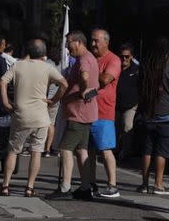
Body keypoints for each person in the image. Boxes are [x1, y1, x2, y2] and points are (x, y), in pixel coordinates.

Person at [0, 39, 67, 197]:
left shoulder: (18, 65)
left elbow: (2, 82)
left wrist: (6, 102)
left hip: (21, 115)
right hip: (41, 117)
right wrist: (53, 100)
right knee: (36, 152)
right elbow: (64, 84)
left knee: (13, 151)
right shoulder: (48, 67)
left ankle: (5, 186)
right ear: (43, 52)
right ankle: (29, 187)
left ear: (28, 51)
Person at [47, 30, 99, 200]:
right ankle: (85, 187)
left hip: (79, 113)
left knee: (65, 148)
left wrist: (84, 88)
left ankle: (65, 187)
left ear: (77, 42)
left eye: (69, 43)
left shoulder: (84, 59)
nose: (67, 48)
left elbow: (84, 75)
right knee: (81, 150)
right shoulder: (88, 58)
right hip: (83, 112)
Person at [137, 38, 169, 195]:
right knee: (162, 152)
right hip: (166, 116)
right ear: (166, 53)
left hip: (147, 115)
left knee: (147, 150)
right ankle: (158, 184)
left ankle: (144, 184)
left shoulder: (145, 67)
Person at [86, 28, 122, 198]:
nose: (92, 44)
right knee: (88, 151)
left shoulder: (113, 60)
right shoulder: (89, 58)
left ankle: (112, 185)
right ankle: (91, 183)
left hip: (103, 112)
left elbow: (106, 79)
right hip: (86, 111)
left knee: (105, 150)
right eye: (91, 40)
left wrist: (90, 70)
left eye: (96, 41)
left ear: (106, 42)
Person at [116, 42, 139, 160]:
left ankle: (126, 152)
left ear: (131, 57)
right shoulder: (115, 68)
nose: (124, 59)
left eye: (127, 56)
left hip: (130, 105)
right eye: (122, 56)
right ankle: (116, 149)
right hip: (116, 105)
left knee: (127, 126)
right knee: (115, 128)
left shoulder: (136, 70)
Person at [43, 55, 61, 158]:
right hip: (55, 99)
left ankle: (42, 147)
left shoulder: (47, 63)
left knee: (42, 123)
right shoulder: (62, 65)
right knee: (51, 124)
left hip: (45, 98)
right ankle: (47, 149)